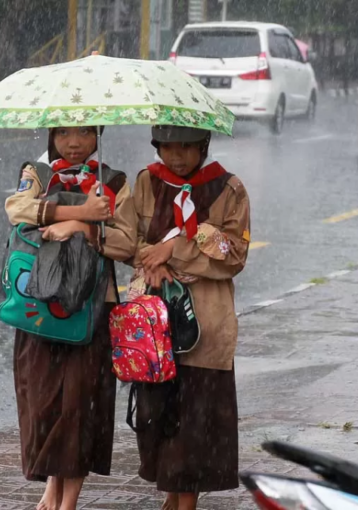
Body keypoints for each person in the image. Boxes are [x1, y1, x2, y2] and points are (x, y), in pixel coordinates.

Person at [4, 125, 137, 510]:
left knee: (81, 402)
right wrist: (78, 211)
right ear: (51, 134)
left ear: (99, 133)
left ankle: (69, 500)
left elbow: (128, 242)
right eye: (63, 132)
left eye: (83, 132)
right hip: (40, 305)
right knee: (43, 399)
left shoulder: (113, 182)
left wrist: (86, 229)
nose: (73, 142)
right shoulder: (37, 174)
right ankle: (51, 485)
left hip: (93, 307)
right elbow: (17, 210)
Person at [129, 125, 250, 510]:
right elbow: (126, 237)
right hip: (155, 322)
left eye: (186, 147)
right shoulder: (147, 182)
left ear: (203, 146)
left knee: (197, 416)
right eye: (167, 147)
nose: (176, 156)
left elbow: (233, 256)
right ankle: (172, 490)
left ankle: (187, 498)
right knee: (159, 410)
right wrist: (152, 261)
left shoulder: (229, 189)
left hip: (206, 323)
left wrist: (175, 251)